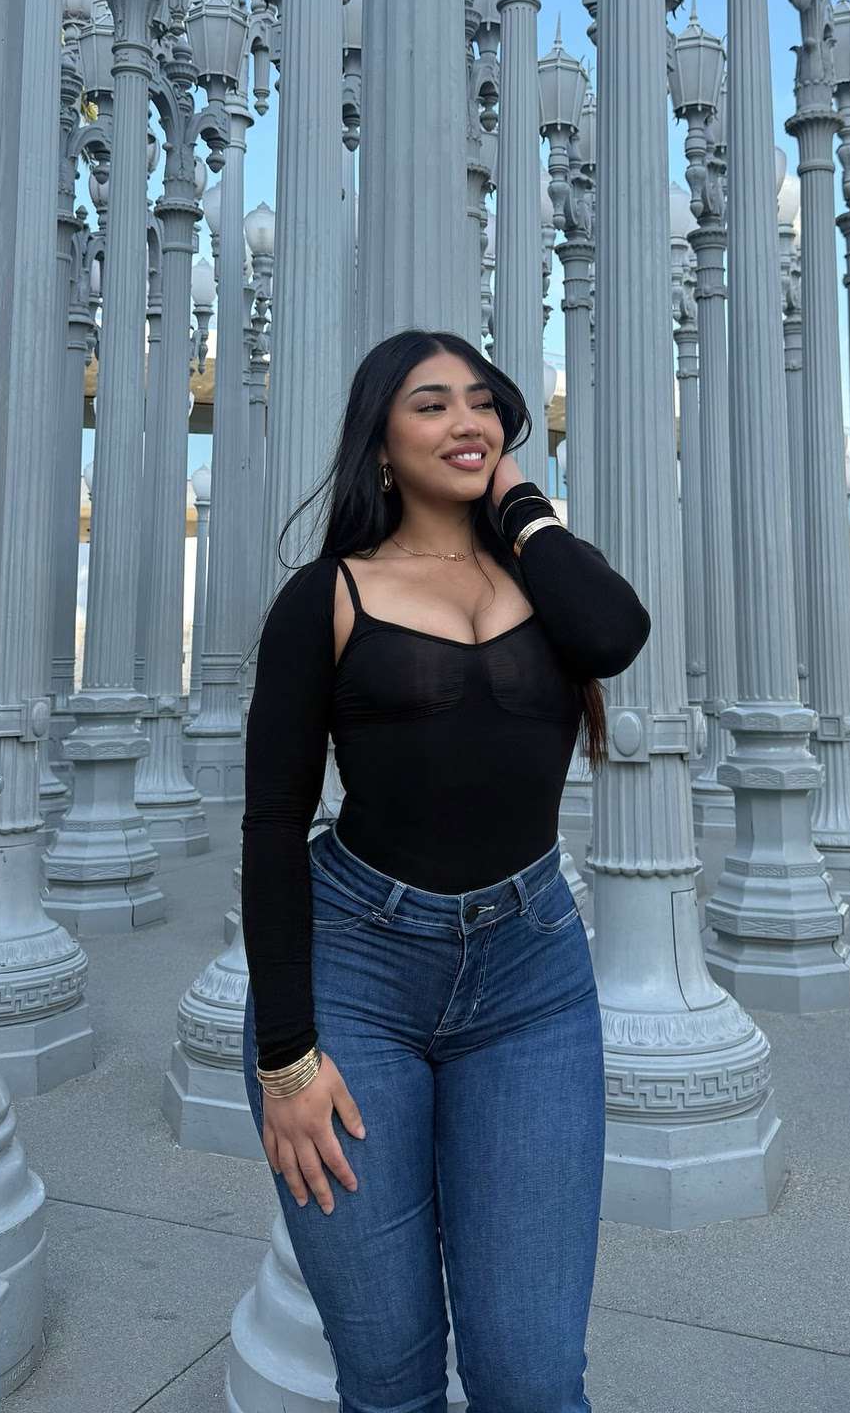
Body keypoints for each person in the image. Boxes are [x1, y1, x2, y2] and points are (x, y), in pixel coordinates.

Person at [240, 328, 651, 1413]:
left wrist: (516, 498)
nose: (465, 421)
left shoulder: (544, 576)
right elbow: (273, 823)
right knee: (392, 1380)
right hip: (356, 976)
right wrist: (286, 1060)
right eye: (430, 405)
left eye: (482, 403)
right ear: (379, 444)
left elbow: (615, 633)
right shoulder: (328, 594)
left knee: (533, 1378)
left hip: (530, 982)